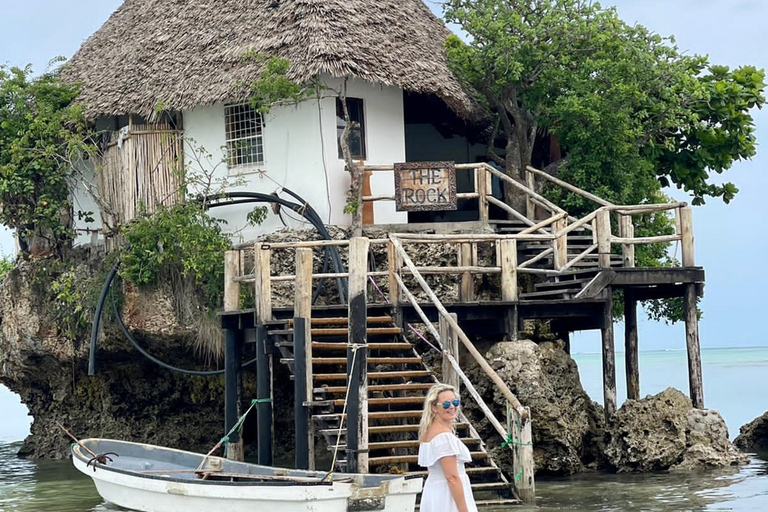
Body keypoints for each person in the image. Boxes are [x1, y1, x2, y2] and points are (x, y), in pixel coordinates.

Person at [417, 383, 478, 512]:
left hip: (434, 492)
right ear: (434, 407)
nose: (452, 407)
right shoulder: (443, 437)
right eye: (446, 404)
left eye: (455, 402)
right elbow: (452, 477)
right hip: (448, 496)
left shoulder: (428, 431)